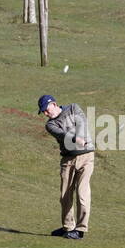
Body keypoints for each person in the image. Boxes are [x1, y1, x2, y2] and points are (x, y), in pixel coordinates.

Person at [38, 94, 94, 239]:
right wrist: (76, 139)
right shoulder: (50, 125)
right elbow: (62, 135)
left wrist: (81, 136)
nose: (45, 113)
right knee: (65, 196)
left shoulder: (73, 108)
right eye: (43, 111)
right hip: (67, 159)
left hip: (86, 157)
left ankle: (80, 230)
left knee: (82, 193)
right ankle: (68, 227)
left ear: (54, 104)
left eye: (46, 109)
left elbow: (81, 121)